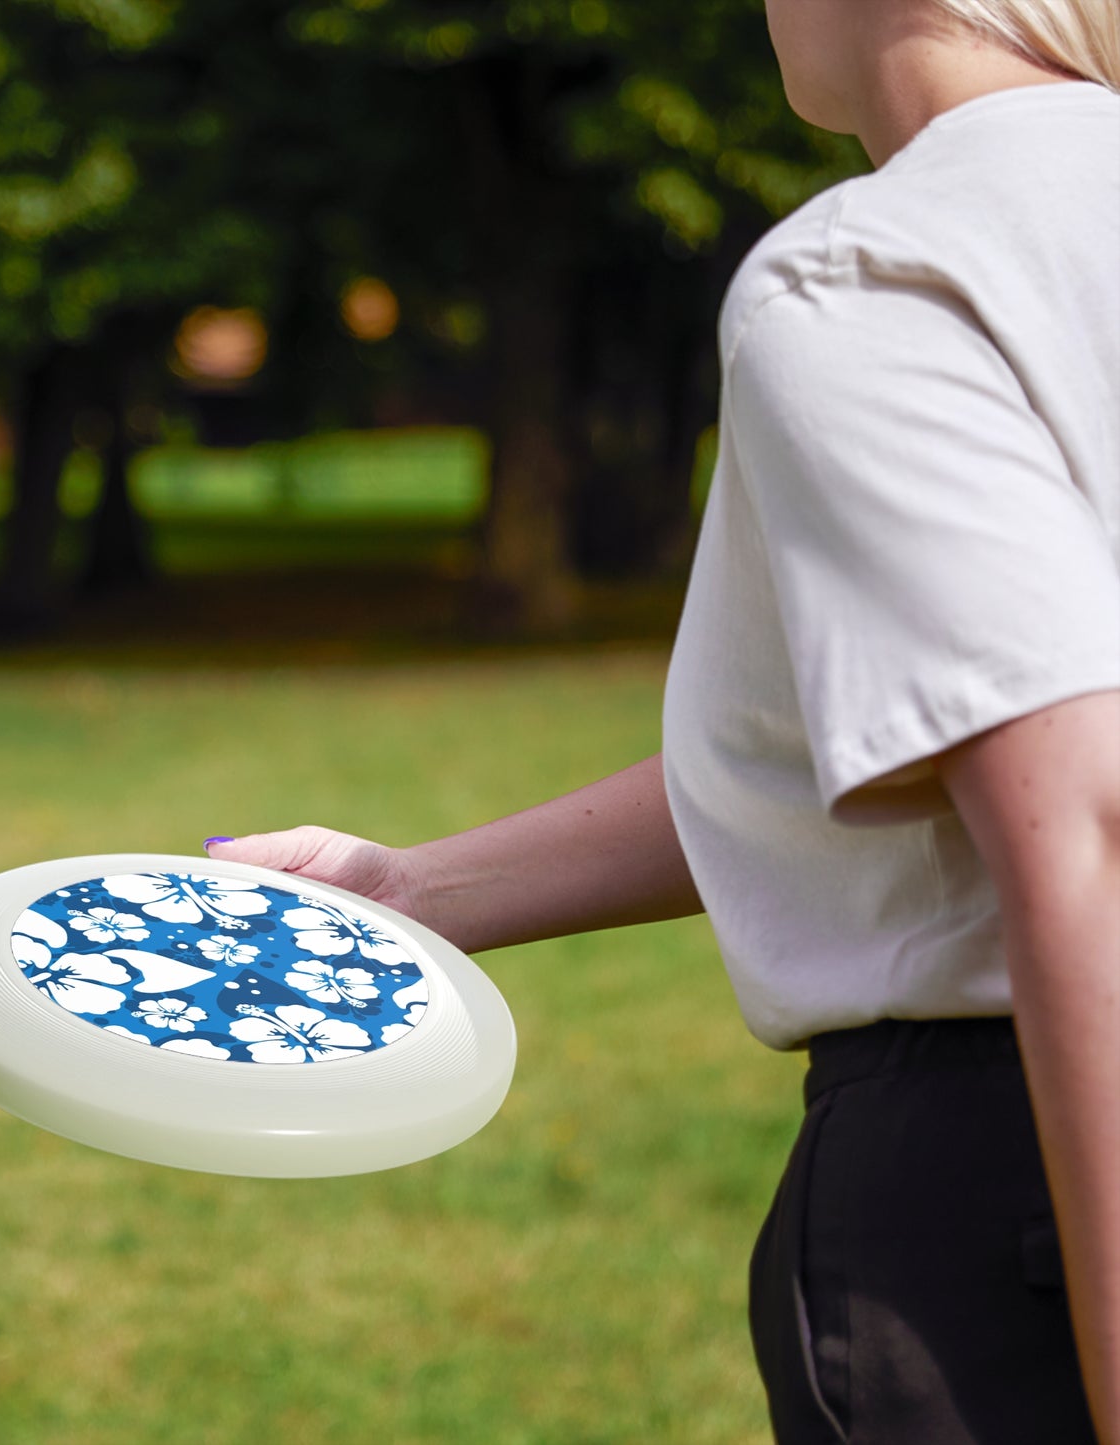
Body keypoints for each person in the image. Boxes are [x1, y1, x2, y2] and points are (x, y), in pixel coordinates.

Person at [204, 2, 1120, 1440]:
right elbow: (899, 741)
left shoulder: (879, 270)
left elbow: (1083, 821)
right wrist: (412, 889)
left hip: (1017, 1190)